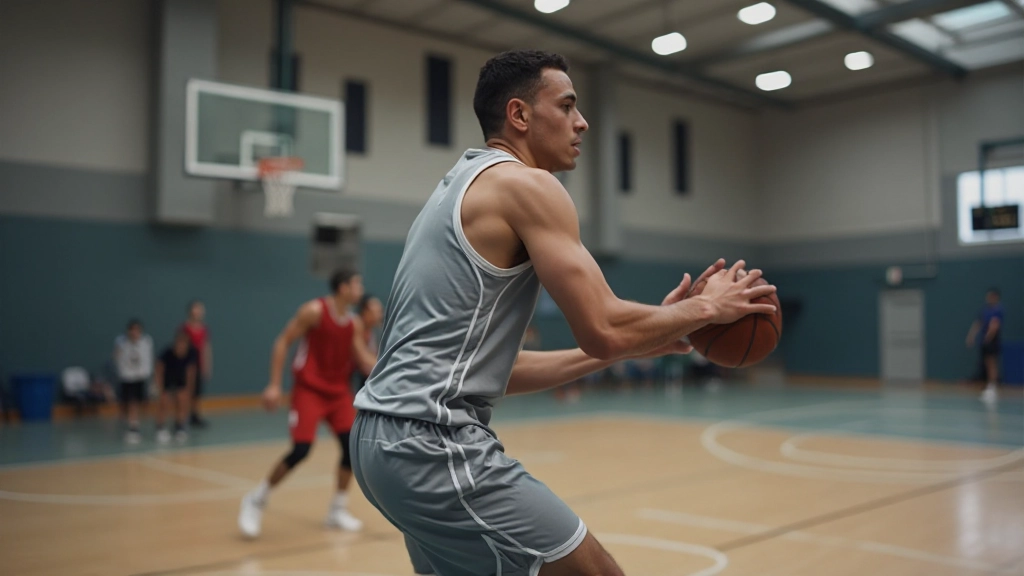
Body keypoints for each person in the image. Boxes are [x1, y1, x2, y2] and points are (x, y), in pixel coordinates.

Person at [350, 50, 776, 576]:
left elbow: (498, 370)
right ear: (520, 116)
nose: (583, 122)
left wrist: (653, 333)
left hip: (379, 443)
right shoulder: (529, 186)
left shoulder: (457, 187)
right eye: (568, 105)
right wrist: (706, 306)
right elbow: (603, 328)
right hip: (430, 443)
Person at [238, 270, 377, 539]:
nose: (361, 288)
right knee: (301, 449)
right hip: (309, 389)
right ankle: (256, 499)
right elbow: (283, 341)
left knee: (351, 449)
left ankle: (336, 509)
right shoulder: (314, 311)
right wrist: (275, 384)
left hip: (338, 392)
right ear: (342, 287)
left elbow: (363, 358)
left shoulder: (354, 324)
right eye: (357, 283)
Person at [154, 330, 199, 444]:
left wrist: (189, 388)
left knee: (182, 399)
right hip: (168, 379)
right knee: (164, 401)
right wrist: (158, 385)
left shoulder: (191, 353)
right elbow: (159, 368)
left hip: (181, 380)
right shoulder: (168, 353)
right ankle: (160, 427)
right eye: (179, 342)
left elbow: (191, 372)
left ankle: (180, 426)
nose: (181, 345)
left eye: (184, 343)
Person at [113, 319, 154, 444]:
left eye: (137, 330)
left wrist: (149, 376)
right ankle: (132, 427)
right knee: (129, 403)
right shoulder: (121, 342)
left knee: (137, 403)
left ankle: (134, 426)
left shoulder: (146, 342)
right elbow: (117, 358)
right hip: (127, 377)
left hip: (140, 377)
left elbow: (148, 359)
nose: (134, 333)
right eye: (132, 330)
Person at [967, 288, 1004, 403]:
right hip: (984, 341)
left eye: (990, 296)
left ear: (995, 297)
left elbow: (994, 325)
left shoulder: (998, 310)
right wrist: (971, 336)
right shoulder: (985, 310)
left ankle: (992, 387)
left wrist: (988, 338)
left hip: (992, 341)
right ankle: (987, 386)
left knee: (992, 363)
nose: (988, 299)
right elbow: (978, 323)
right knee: (986, 364)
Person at [181, 300, 212, 428]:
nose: (198, 312)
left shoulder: (204, 329)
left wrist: (207, 365)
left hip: (198, 364)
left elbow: (206, 348)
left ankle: (195, 415)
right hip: (187, 365)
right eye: (196, 309)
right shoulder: (185, 328)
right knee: (186, 391)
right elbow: (181, 346)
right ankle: (183, 416)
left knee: (197, 392)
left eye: (200, 309)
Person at [353, 294, 384, 394]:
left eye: (380, 311)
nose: (380, 315)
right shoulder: (355, 327)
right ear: (365, 312)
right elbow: (364, 361)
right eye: (376, 312)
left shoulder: (375, 331)